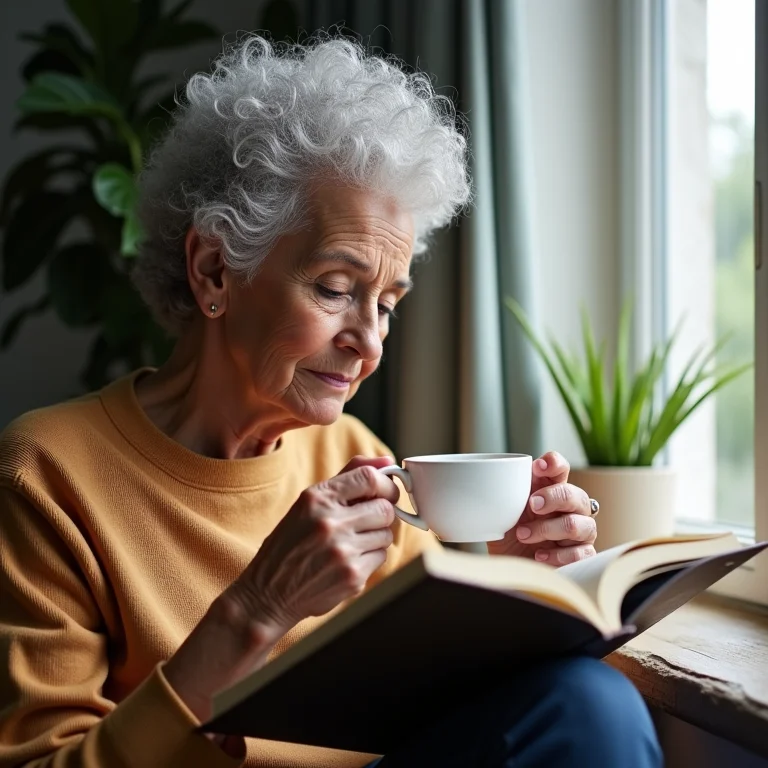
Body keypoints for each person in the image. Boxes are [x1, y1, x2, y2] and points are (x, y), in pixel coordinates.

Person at [0, 35, 661, 768]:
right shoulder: (46, 476)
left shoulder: (354, 455)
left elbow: (430, 697)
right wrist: (255, 612)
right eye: (336, 289)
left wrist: (514, 574)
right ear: (215, 269)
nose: (370, 343)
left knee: (587, 702)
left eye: (387, 304)